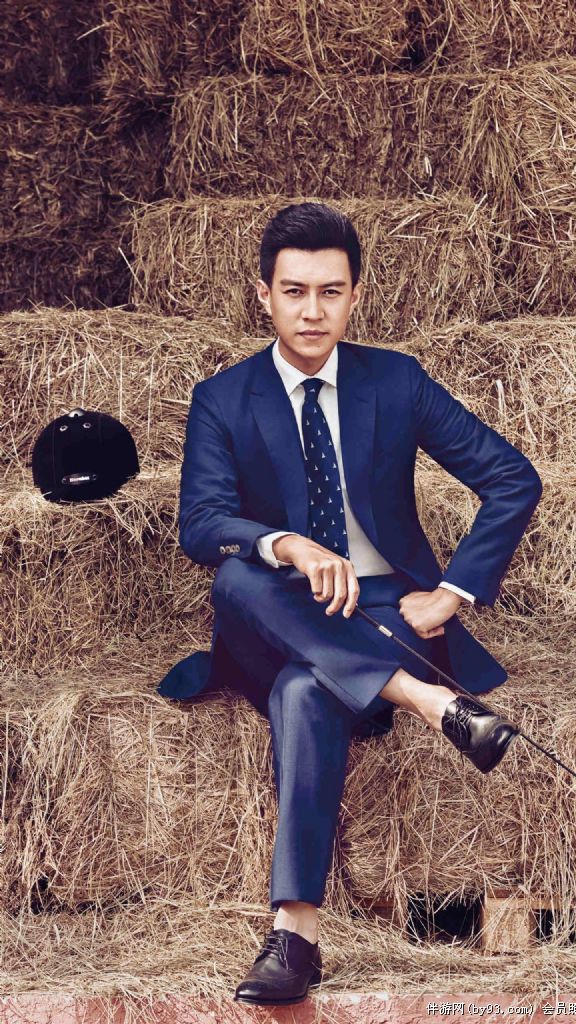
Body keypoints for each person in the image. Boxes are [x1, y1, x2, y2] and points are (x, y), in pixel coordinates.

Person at [156, 202, 543, 1007]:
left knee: (308, 689)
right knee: (236, 577)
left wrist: (452, 592)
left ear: (356, 295)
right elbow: (201, 524)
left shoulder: (395, 381)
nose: (312, 311)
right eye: (294, 291)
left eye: (330, 292)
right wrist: (288, 545)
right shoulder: (223, 398)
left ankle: (293, 936)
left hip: (387, 618)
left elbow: (512, 478)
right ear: (264, 295)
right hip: (276, 612)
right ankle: (429, 702)